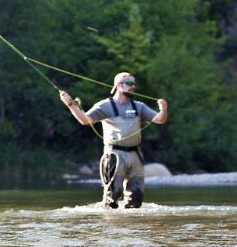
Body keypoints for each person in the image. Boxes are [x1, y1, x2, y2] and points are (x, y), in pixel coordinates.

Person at [59, 72, 168, 208]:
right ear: (118, 85)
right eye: (129, 83)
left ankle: (134, 228)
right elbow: (85, 120)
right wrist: (70, 104)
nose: (133, 87)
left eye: (134, 84)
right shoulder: (105, 106)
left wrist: (163, 109)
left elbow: (160, 120)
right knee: (112, 197)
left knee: (136, 198)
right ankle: (111, 225)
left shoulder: (138, 106)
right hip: (114, 155)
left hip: (135, 155)